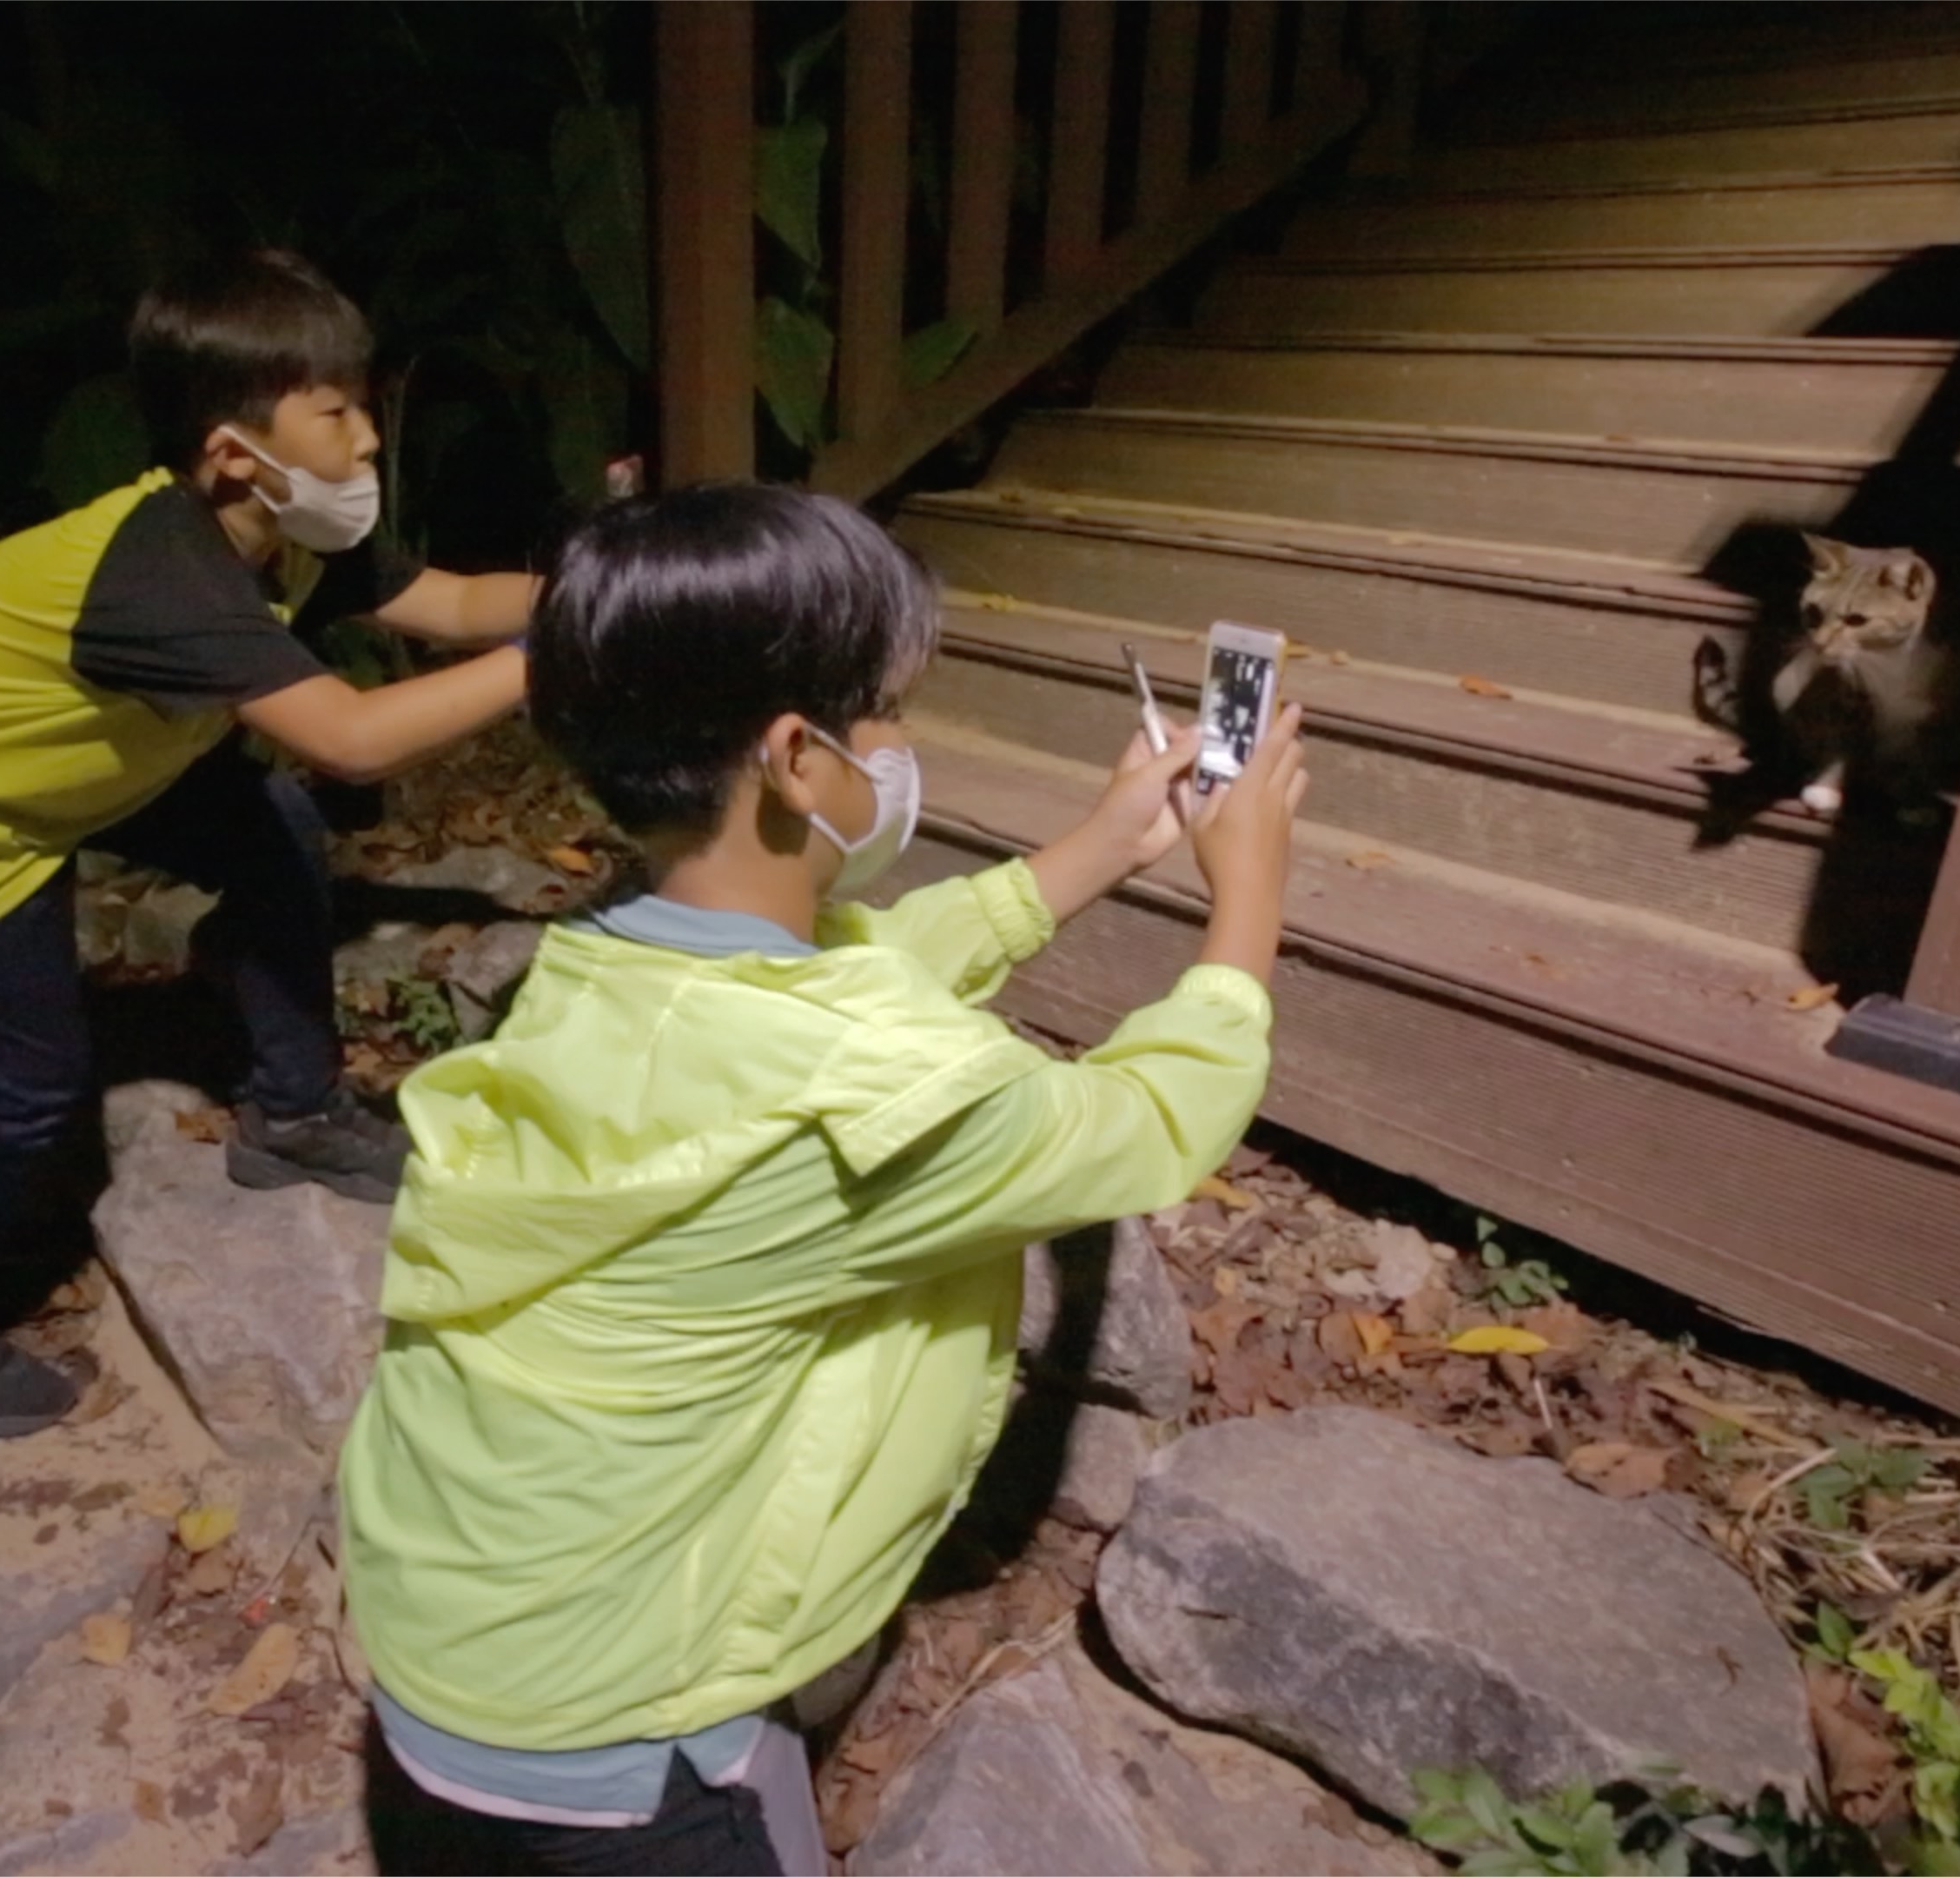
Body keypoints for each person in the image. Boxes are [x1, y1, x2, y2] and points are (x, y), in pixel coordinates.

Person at [339, 484, 1308, 1874]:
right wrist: (1248, 891)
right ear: (799, 756)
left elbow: (859, 966)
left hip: (454, 1621)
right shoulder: (862, 1091)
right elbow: (1152, 1115)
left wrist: (1099, 850)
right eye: (886, 715)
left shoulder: (608, 961)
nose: (901, 747)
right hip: (623, 1736)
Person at [0, 248, 536, 1441]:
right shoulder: (165, 574)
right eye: (337, 412)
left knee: (276, 830)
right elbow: (351, 739)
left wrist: (601, 584)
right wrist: (552, 656)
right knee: (27, 1081)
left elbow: (447, 604)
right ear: (235, 452)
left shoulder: (284, 529)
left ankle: (294, 1112)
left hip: (76, 745)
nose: (367, 438)